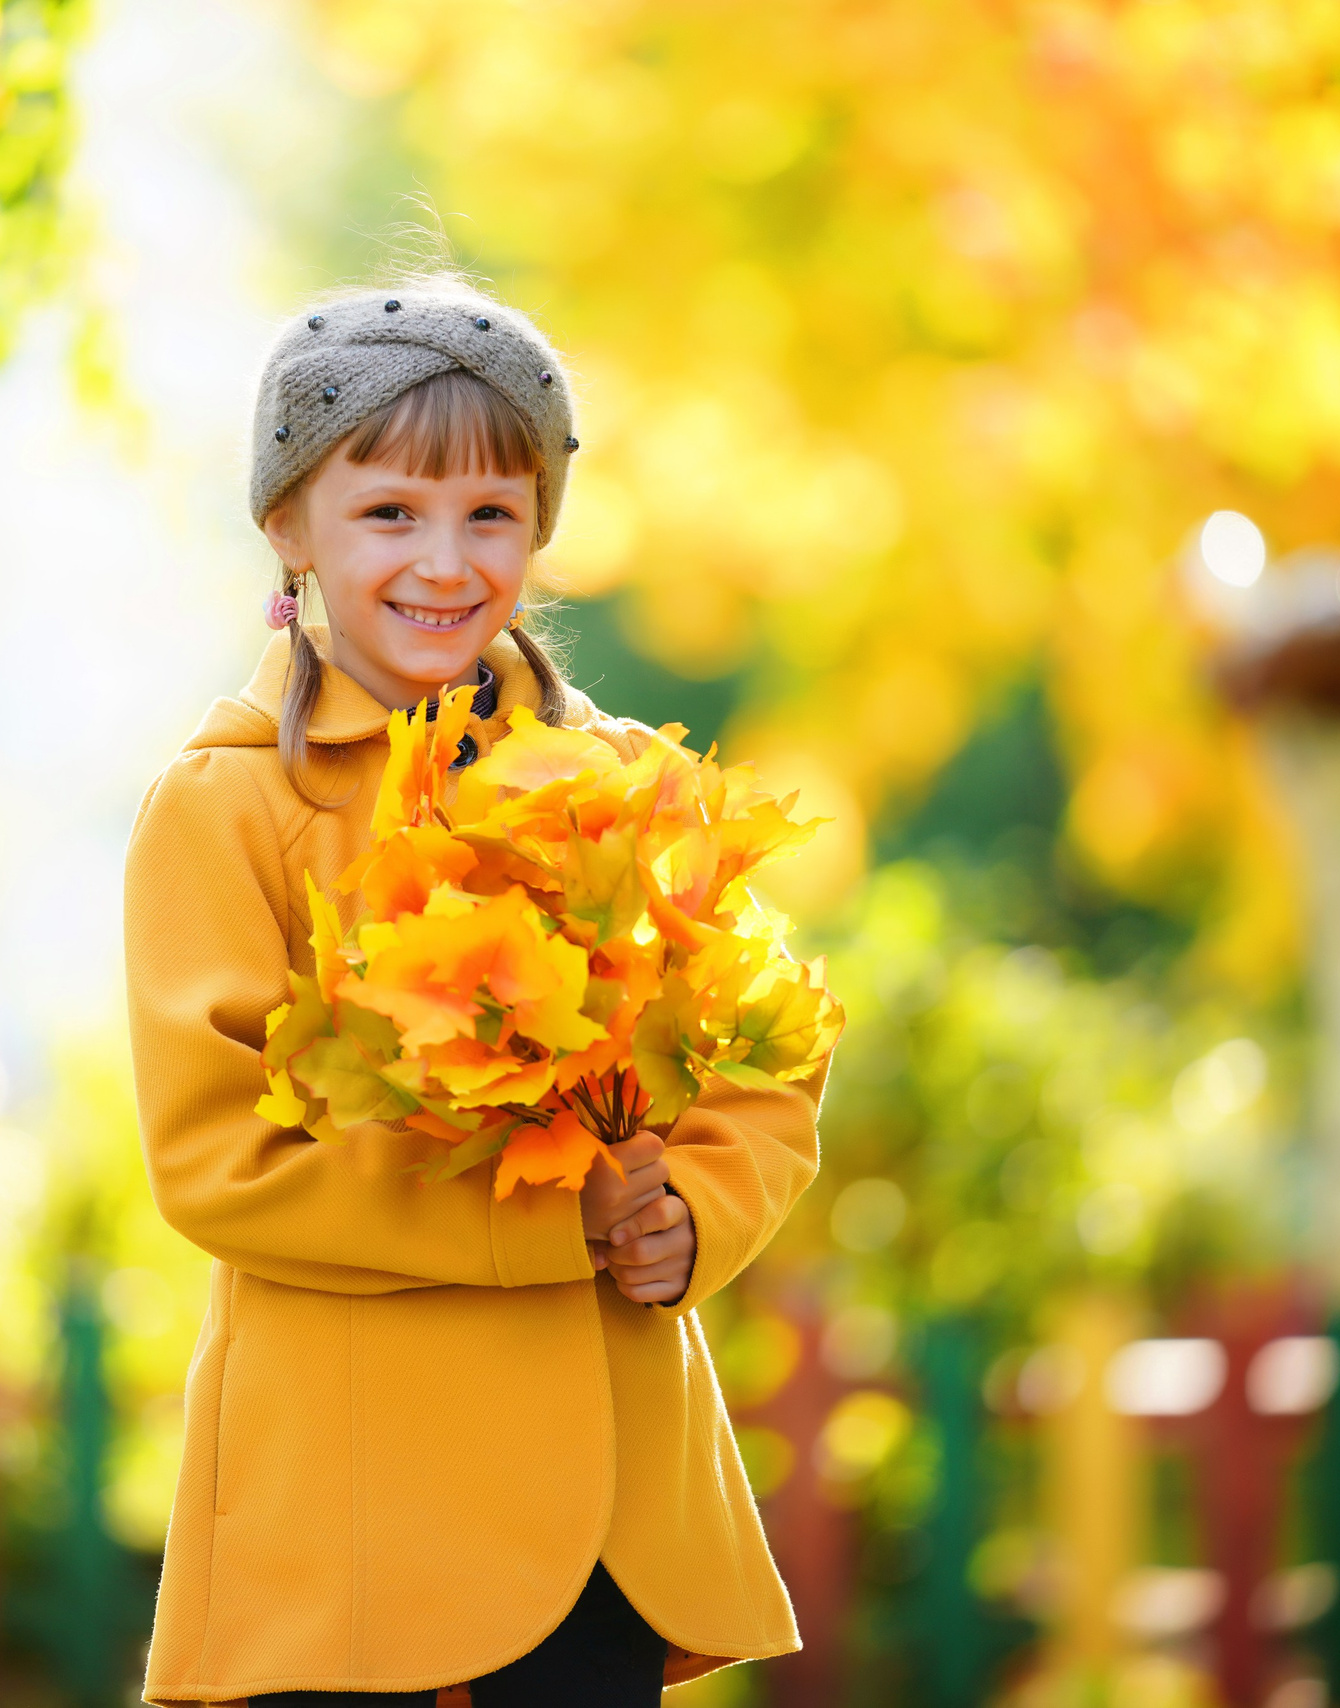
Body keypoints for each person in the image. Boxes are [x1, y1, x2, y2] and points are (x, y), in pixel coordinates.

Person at [123, 279, 824, 1707]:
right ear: (289, 529)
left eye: (492, 515)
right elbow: (220, 1162)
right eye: (390, 513)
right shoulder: (229, 807)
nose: (445, 562)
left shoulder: (627, 786)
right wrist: (544, 1227)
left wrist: (695, 1214)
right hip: (351, 1530)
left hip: (600, 1536)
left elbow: (762, 1055)